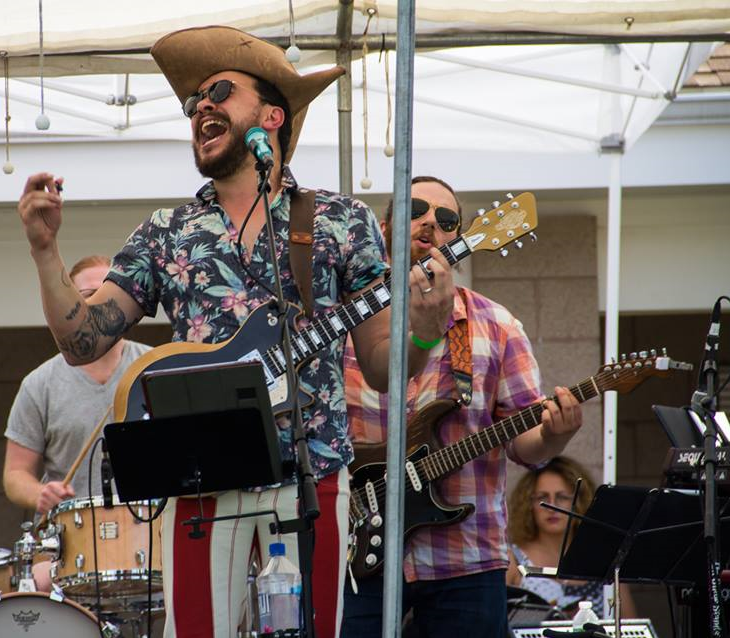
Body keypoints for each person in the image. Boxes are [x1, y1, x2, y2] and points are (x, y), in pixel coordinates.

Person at [16, 26, 454, 638]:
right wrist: (44, 252)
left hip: (312, 473)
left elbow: (382, 366)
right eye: (193, 103)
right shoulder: (167, 231)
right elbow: (81, 341)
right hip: (200, 475)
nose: (201, 106)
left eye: (219, 92)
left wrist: (426, 332)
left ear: (272, 116)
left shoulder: (340, 220)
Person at [341, 176, 583, 638]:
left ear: (459, 236)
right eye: (415, 210)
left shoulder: (497, 325)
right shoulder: (347, 323)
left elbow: (524, 445)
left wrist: (556, 434)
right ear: (385, 227)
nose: (430, 222)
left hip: (467, 560)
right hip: (356, 554)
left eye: (446, 219)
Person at [3, 254, 151, 591]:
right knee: (33, 588)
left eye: (108, 295)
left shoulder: (152, 367)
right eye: (87, 297)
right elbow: (15, 475)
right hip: (65, 544)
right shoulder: (39, 383)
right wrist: (41, 493)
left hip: (146, 536)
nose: (98, 305)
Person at [506, 456, 637, 618]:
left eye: (562, 497)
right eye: (542, 497)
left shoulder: (606, 560)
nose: (552, 506)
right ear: (528, 505)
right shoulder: (512, 560)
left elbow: (630, 624)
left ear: (580, 502)